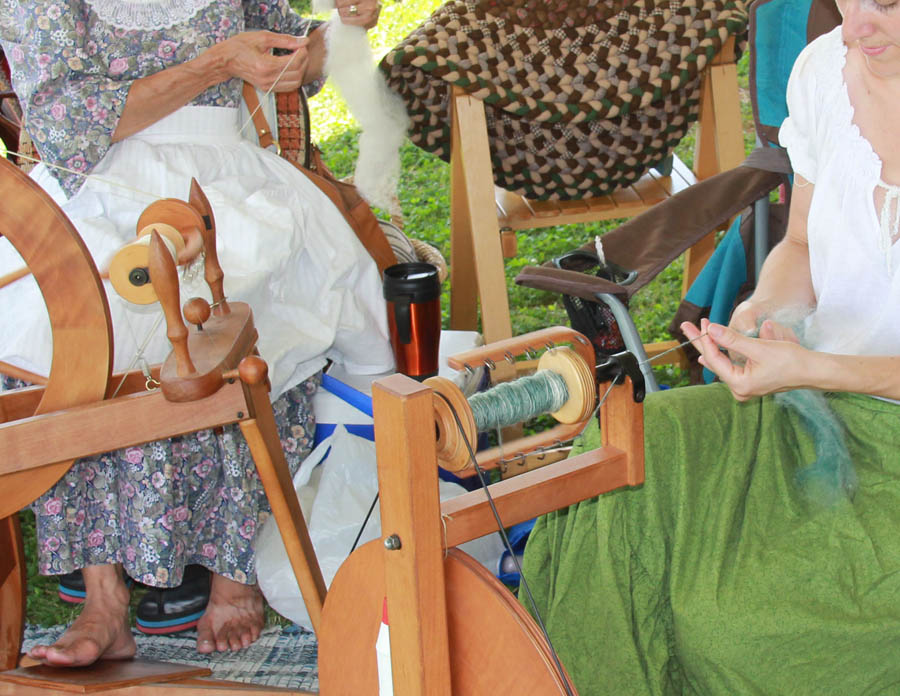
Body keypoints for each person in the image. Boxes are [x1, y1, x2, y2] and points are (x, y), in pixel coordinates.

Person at [521, 0, 900, 693]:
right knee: (631, 457)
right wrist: (759, 314)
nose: (854, 27)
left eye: (889, 4)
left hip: (868, 433)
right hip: (814, 406)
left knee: (738, 625)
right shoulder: (824, 71)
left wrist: (816, 368)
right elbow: (801, 244)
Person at [0, 0, 393, 668]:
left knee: (263, 299)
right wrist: (214, 64)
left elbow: (288, 56)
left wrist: (337, 33)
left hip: (226, 173)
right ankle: (103, 600)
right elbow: (68, 123)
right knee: (74, 333)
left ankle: (237, 572)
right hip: (100, 178)